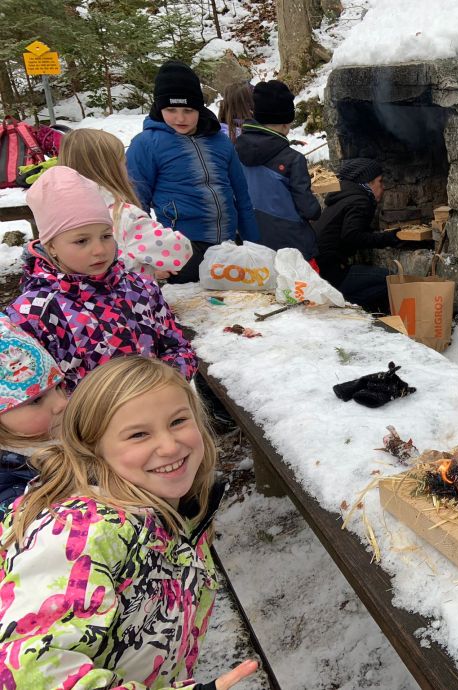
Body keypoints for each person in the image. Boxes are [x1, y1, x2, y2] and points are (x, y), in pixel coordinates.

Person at [0, 356, 258, 688]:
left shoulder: (177, 506)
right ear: (94, 448)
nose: (169, 446)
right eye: (138, 434)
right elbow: (24, 670)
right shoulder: (81, 533)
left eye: (178, 421)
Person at [5, 165, 197, 392]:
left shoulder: (141, 289)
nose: (99, 250)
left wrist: (165, 386)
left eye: (106, 236)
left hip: (155, 406)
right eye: (81, 241)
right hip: (87, 415)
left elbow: (178, 348)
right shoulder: (33, 313)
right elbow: (32, 393)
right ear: (51, 246)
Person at [126, 60, 259, 283]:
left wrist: (253, 245)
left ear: (199, 108)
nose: (180, 118)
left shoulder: (220, 142)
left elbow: (242, 197)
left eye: (188, 110)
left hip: (227, 245)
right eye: (171, 110)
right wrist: (147, 260)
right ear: (159, 108)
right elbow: (136, 206)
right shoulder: (146, 144)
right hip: (181, 251)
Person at [59, 127, 193, 280]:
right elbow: (180, 252)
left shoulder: (61, 214)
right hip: (126, 295)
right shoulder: (124, 216)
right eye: (123, 162)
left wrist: (146, 266)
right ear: (113, 170)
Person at [235, 80, 321, 265]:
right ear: (286, 123)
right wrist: (317, 208)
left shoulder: (235, 152)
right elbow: (309, 209)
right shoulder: (293, 159)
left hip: (252, 244)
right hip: (292, 247)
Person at [314, 157, 401, 312]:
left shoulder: (345, 197)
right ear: (369, 182)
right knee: (391, 279)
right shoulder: (360, 200)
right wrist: (389, 238)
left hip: (320, 268)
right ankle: (346, 305)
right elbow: (352, 236)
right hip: (332, 273)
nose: (383, 187)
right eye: (380, 181)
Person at [0, 317, 67, 515]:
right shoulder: (11, 488)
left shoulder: (63, 433)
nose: (62, 403)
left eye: (59, 387)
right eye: (36, 400)